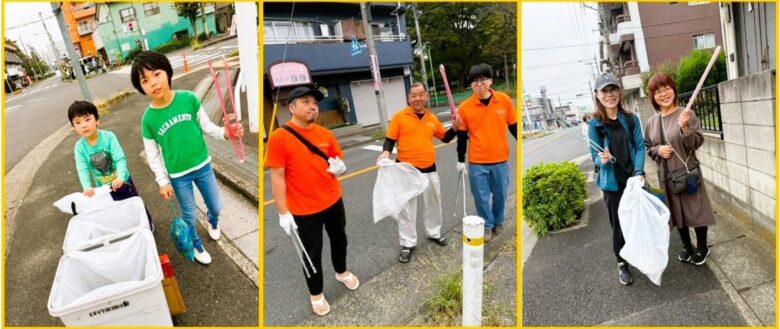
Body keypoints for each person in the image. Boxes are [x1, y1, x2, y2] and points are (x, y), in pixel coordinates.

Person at [131, 51, 244, 265]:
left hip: (203, 165)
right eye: (145, 81)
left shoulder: (189, 99)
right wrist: (162, 182)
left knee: (216, 206)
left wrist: (226, 133)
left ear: (167, 73)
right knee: (189, 215)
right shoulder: (148, 119)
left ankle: (213, 221)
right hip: (177, 175)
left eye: (156, 74)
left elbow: (207, 126)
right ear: (141, 87)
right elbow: (153, 154)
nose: (153, 83)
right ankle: (196, 245)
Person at [265, 86, 359, 316]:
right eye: (305, 101)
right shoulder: (279, 137)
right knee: (311, 253)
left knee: (340, 240)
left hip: (333, 201)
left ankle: (342, 271)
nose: (312, 106)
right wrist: (283, 212)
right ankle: (316, 293)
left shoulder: (325, 134)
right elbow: (276, 178)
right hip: (304, 210)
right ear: (292, 107)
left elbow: (337, 162)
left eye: (315, 103)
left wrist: (342, 169)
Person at [377, 82, 457, 263]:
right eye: (414, 95)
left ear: (426, 96)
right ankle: (408, 243)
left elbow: (445, 138)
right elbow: (390, 140)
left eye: (421, 94)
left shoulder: (431, 118)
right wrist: (385, 153)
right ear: (409, 98)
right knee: (406, 209)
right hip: (406, 170)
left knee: (434, 203)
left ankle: (434, 232)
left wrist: (455, 127)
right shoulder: (399, 117)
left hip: (429, 168)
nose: (417, 98)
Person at [644, 72, 715, 266]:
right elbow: (648, 147)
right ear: (653, 97)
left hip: (688, 173)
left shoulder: (686, 113)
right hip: (667, 176)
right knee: (675, 212)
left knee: (696, 210)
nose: (664, 94)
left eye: (666, 88)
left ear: (673, 89)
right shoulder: (652, 122)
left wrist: (684, 128)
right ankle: (687, 246)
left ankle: (702, 246)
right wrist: (658, 149)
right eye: (658, 91)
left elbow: (696, 142)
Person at [587, 73, 645, 285]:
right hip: (612, 185)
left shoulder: (631, 119)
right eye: (605, 91)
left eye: (613, 90)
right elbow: (594, 154)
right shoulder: (595, 124)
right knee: (619, 225)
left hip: (632, 181)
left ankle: (639, 255)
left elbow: (639, 146)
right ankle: (622, 263)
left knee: (637, 221)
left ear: (619, 92)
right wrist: (601, 159)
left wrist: (639, 172)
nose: (610, 95)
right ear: (597, 95)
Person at [455, 63, 517, 242]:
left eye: (483, 79)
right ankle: (487, 225)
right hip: (477, 161)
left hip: (500, 159)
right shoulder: (465, 107)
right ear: (471, 84)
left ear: (491, 80)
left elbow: (514, 127)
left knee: (501, 194)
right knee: (481, 198)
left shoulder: (503, 100)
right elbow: (461, 136)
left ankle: (498, 221)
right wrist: (460, 160)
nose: (479, 83)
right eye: (475, 80)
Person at [68, 100, 153, 228]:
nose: (83, 125)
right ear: (74, 127)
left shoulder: (108, 137)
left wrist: (120, 177)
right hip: (104, 188)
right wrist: (87, 187)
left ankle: (148, 224)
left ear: (97, 120)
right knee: (117, 210)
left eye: (87, 119)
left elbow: (120, 159)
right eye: (77, 122)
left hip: (123, 181)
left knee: (134, 204)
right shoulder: (79, 147)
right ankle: (129, 230)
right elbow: (82, 169)